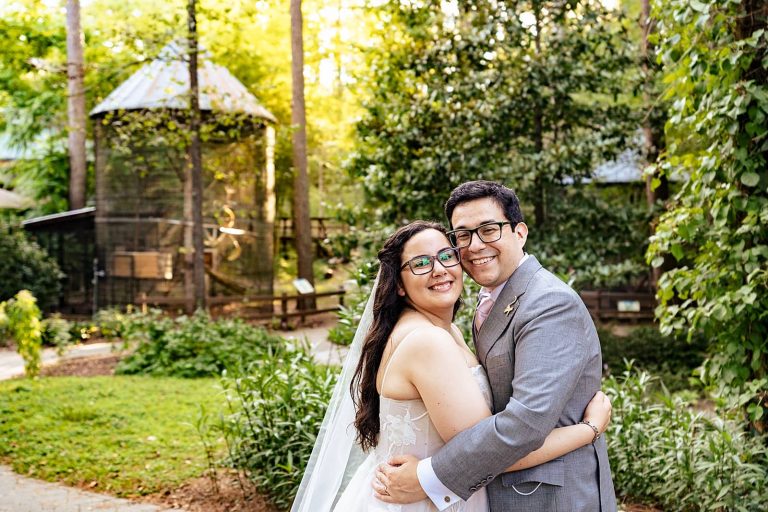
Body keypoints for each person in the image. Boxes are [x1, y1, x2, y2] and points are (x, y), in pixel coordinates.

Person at [291, 220, 612, 512]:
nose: (439, 269)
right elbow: (492, 450)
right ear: (399, 284)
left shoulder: (443, 330)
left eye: (447, 256)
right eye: (420, 263)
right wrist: (588, 430)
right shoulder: (429, 342)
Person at [374, 181, 617, 511]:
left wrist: (428, 478)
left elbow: (523, 425)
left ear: (520, 233)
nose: (474, 245)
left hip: (549, 498)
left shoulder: (550, 303)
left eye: (489, 229)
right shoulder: (474, 309)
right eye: (463, 235)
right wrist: (589, 428)